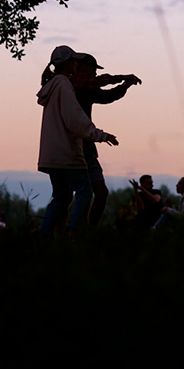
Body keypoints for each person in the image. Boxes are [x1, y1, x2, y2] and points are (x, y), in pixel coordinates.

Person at [37, 45, 118, 237]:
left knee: (61, 197)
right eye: (74, 60)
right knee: (85, 192)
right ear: (67, 63)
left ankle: (43, 234)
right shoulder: (64, 85)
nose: (76, 63)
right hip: (68, 153)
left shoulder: (51, 87)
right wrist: (100, 135)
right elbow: (75, 119)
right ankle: (75, 232)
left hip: (50, 154)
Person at [71, 53, 141, 226]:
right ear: (82, 67)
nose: (95, 72)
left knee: (100, 193)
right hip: (71, 148)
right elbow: (98, 82)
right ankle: (67, 231)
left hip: (86, 148)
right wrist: (122, 78)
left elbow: (107, 96)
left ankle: (86, 231)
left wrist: (125, 85)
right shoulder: (71, 84)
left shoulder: (86, 88)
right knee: (70, 194)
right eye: (93, 68)